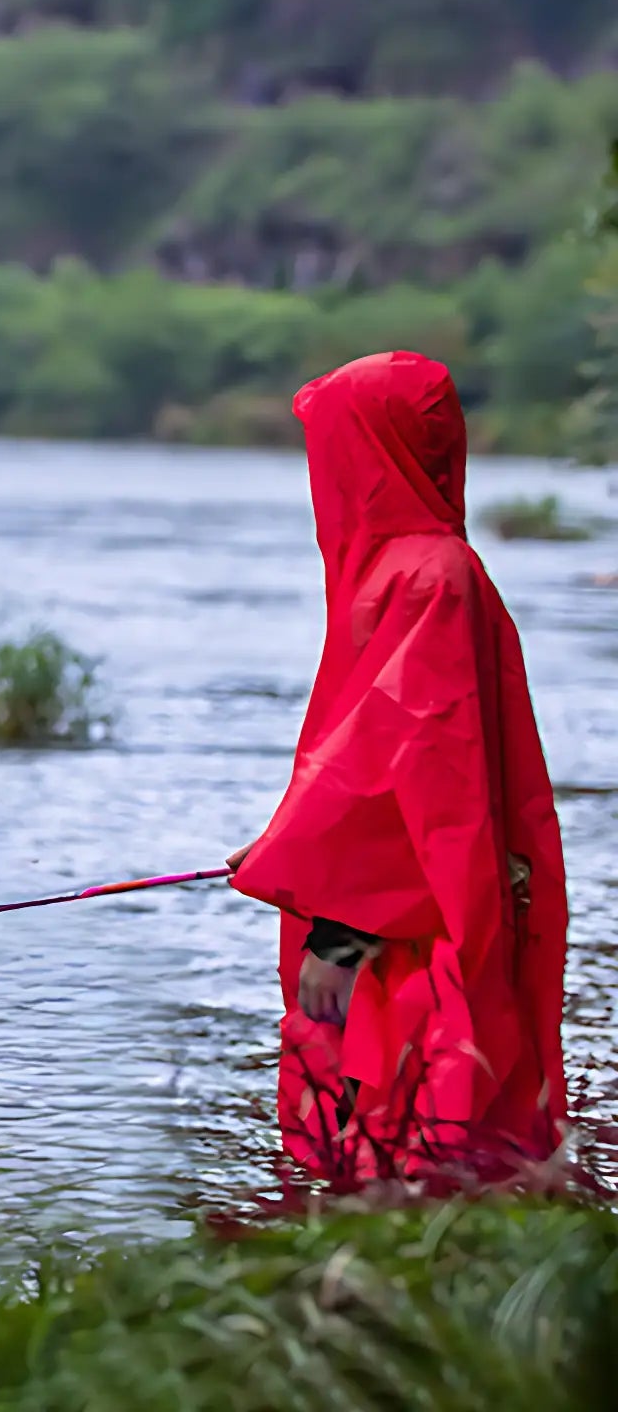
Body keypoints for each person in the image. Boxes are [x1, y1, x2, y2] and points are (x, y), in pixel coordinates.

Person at [228, 351, 567, 1180]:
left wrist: (341, 934)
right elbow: (368, 755)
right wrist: (284, 852)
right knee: (406, 1133)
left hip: (406, 926)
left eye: (334, 447)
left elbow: (415, 773)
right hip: (405, 913)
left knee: (417, 1124)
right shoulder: (417, 570)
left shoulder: (426, 576)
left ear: (373, 451)